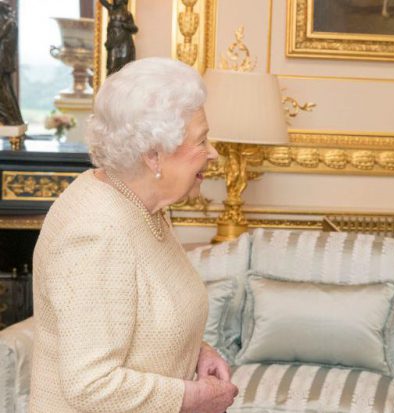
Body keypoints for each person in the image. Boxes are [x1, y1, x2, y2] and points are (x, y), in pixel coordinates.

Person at [29, 57, 238, 413]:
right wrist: (192, 398)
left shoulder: (145, 204)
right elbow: (90, 384)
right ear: (154, 156)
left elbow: (144, 321)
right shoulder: (97, 231)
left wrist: (195, 351)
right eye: (202, 140)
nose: (213, 153)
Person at [99, 0, 138, 74]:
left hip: (124, 40)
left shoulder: (128, 14)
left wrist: (126, 26)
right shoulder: (111, 8)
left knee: (124, 67)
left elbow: (135, 29)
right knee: (112, 67)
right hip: (113, 41)